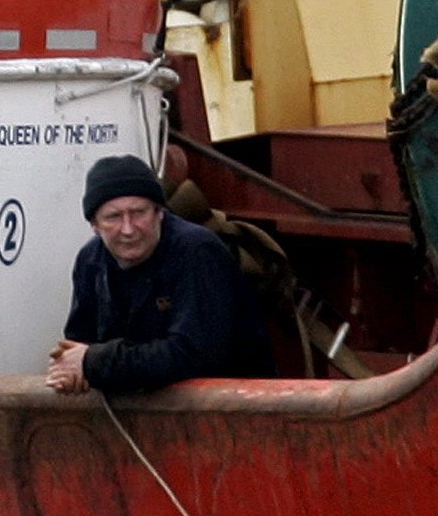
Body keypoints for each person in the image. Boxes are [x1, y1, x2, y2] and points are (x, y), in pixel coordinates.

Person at [46, 153, 272, 395]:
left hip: (231, 409)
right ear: (94, 225)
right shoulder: (90, 261)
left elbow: (192, 354)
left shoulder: (196, 252)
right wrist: (72, 370)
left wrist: (94, 363)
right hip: (137, 413)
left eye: (139, 212)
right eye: (113, 217)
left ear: (160, 212)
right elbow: (79, 345)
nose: (128, 229)